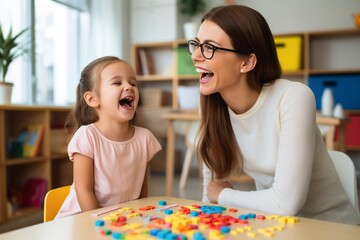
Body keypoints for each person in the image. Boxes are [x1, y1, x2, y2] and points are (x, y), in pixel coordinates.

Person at [187, 5, 360, 225]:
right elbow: (210, 190)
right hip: (277, 226)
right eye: (196, 45)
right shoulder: (211, 103)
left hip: (331, 227)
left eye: (209, 47)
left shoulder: (293, 97)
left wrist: (223, 196)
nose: (194, 56)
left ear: (247, 62)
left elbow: (285, 204)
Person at [55, 56, 161, 219]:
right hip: (81, 219)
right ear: (92, 99)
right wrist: (105, 224)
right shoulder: (87, 137)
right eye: (117, 83)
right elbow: (84, 192)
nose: (129, 87)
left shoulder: (144, 138)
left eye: (133, 83)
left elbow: (141, 196)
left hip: (120, 221)